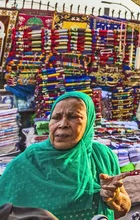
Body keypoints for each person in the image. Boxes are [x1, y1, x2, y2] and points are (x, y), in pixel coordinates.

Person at [0, 92, 131, 219]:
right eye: (56, 117)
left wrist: (114, 197)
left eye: (73, 116)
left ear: (89, 122)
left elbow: (122, 211)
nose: (62, 124)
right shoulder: (28, 161)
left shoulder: (102, 156)